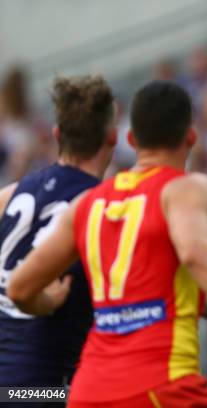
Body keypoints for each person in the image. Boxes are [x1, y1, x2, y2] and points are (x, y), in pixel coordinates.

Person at [7, 80, 207, 407]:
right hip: (161, 385)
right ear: (190, 137)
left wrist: (47, 301)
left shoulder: (88, 203)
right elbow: (197, 252)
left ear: (130, 139)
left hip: (90, 390)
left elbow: (19, 288)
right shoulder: (185, 190)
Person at [0, 75, 116, 396]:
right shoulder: (105, 208)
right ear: (113, 137)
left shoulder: (10, 195)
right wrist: (45, 300)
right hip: (48, 388)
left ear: (56, 135)